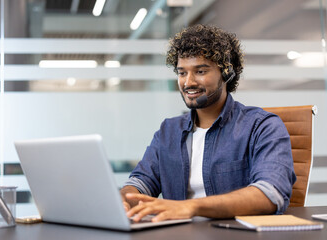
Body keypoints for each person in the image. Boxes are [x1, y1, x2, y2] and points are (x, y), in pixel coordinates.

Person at [120, 24, 296, 223]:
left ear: (227, 73)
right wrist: (124, 200)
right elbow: (140, 183)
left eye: (200, 71)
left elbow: (270, 194)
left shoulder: (261, 126)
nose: (188, 82)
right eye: (182, 73)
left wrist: (190, 207)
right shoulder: (168, 131)